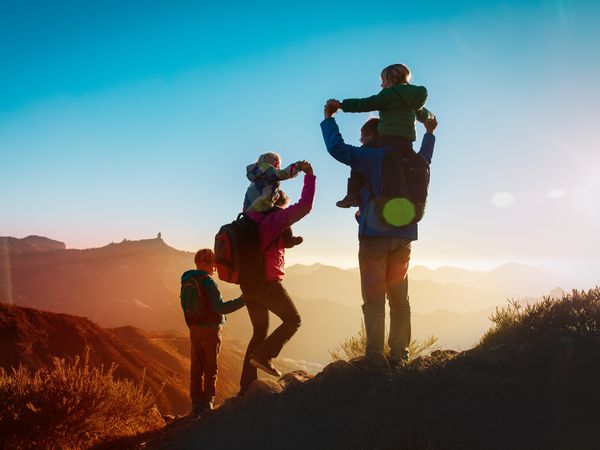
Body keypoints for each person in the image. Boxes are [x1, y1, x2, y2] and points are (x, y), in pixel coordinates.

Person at [321, 100, 438, 368]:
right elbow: (427, 157)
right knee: (400, 301)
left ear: (375, 135)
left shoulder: (372, 156)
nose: (361, 142)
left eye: (363, 137)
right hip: (405, 237)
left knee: (374, 300)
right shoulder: (413, 158)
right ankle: (400, 355)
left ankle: (374, 357)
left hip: (374, 235)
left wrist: (329, 118)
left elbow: (337, 148)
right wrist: (430, 133)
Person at [238, 160, 316, 395]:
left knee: (259, 332)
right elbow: (304, 207)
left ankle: (246, 387)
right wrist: (310, 177)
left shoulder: (252, 218)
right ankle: (264, 356)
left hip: (247, 283)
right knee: (293, 320)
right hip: (266, 284)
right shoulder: (275, 218)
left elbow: (269, 243)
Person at [329, 63, 435, 208]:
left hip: (387, 140)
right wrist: (431, 121)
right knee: (416, 164)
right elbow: (424, 114)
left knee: (362, 158)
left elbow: (366, 104)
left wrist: (341, 105)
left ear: (391, 79)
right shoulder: (412, 101)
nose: (381, 85)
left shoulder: (388, 94)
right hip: (406, 144)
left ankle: (353, 193)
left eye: (383, 80)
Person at [180, 248, 246, 416]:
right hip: (210, 330)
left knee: (196, 368)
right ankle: (207, 402)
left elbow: (185, 307)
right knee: (211, 368)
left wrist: (193, 326)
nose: (215, 268)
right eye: (213, 265)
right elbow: (221, 307)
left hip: (194, 329)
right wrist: (243, 300)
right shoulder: (208, 281)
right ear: (207, 264)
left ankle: (196, 404)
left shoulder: (187, 279)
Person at [244, 152, 305, 248]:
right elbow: (283, 174)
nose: (277, 165)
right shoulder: (266, 168)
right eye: (275, 161)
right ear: (267, 159)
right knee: (281, 213)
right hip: (261, 205)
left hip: (249, 208)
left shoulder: (257, 172)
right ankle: (288, 239)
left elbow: (269, 192)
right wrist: (298, 166)